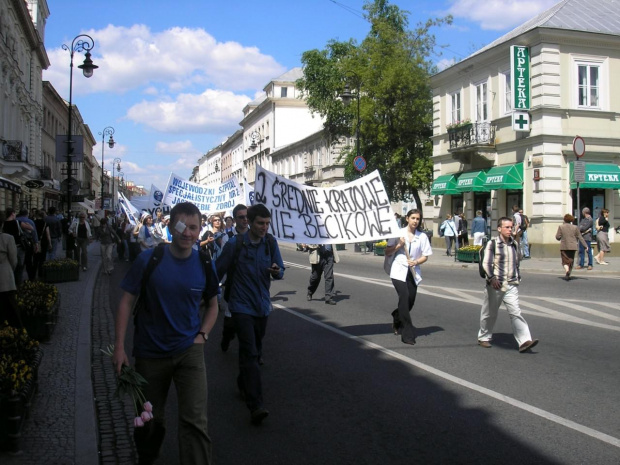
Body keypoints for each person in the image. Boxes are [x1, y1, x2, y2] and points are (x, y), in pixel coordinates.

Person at [113, 202, 218, 465]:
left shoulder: (204, 262)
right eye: (182, 226)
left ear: (199, 229)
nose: (188, 233)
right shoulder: (149, 259)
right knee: (150, 419)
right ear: (171, 227)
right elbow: (126, 300)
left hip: (189, 353)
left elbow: (213, 306)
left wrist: (202, 335)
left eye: (193, 228)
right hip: (151, 353)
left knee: (195, 423)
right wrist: (119, 346)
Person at [216, 204, 284, 425]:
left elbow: (280, 270)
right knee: (250, 352)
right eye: (260, 223)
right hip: (240, 306)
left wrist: (276, 271)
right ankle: (256, 405)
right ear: (250, 222)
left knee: (254, 349)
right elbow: (218, 270)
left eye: (267, 223)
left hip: (262, 306)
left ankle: (242, 382)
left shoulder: (270, 243)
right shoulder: (236, 244)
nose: (264, 227)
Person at [478, 217, 538, 352]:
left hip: (511, 284)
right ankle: (484, 337)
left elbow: (518, 260)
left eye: (511, 227)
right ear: (499, 229)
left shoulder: (514, 244)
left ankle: (524, 341)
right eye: (507, 227)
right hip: (496, 285)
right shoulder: (492, 244)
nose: (510, 230)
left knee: (516, 312)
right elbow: (486, 263)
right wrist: (492, 278)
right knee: (490, 313)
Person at [385, 209, 432, 345]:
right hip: (398, 271)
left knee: (410, 301)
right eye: (413, 218)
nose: (415, 221)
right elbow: (387, 251)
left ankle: (397, 315)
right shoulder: (398, 233)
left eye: (417, 219)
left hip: (413, 272)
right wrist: (398, 245)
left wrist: (416, 261)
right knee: (404, 297)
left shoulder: (422, 236)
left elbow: (426, 256)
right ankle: (407, 334)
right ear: (407, 218)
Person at [219, 204, 250, 353]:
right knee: (231, 321)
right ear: (235, 219)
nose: (245, 220)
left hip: (250, 286)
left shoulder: (255, 235)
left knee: (252, 321)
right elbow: (224, 263)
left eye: (247, 216)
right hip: (235, 284)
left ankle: (254, 352)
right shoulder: (228, 238)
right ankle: (227, 336)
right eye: (241, 217)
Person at [0, 212, 21, 328]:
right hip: (5, 278)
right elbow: (14, 260)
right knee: (12, 310)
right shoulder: (7, 238)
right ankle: (16, 334)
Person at [555, 214, 588, 281]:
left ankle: (567, 271)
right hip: (573, 246)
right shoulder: (575, 227)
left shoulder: (561, 227)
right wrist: (586, 246)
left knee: (564, 261)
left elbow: (557, 237)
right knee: (571, 260)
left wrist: (560, 238)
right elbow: (580, 237)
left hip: (564, 246)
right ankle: (568, 274)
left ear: (564, 219)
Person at [17, 209, 39, 281]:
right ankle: (31, 278)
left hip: (18, 243)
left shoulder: (15, 220)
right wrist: (36, 244)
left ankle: (18, 279)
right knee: (29, 261)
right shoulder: (30, 221)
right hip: (28, 243)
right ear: (27, 214)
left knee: (19, 262)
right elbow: (34, 233)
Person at [33, 210, 51, 279]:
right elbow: (48, 234)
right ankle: (40, 274)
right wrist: (50, 243)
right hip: (43, 242)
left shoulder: (34, 222)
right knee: (42, 259)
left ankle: (33, 274)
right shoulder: (45, 223)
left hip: (35, 242)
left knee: (35, 259)